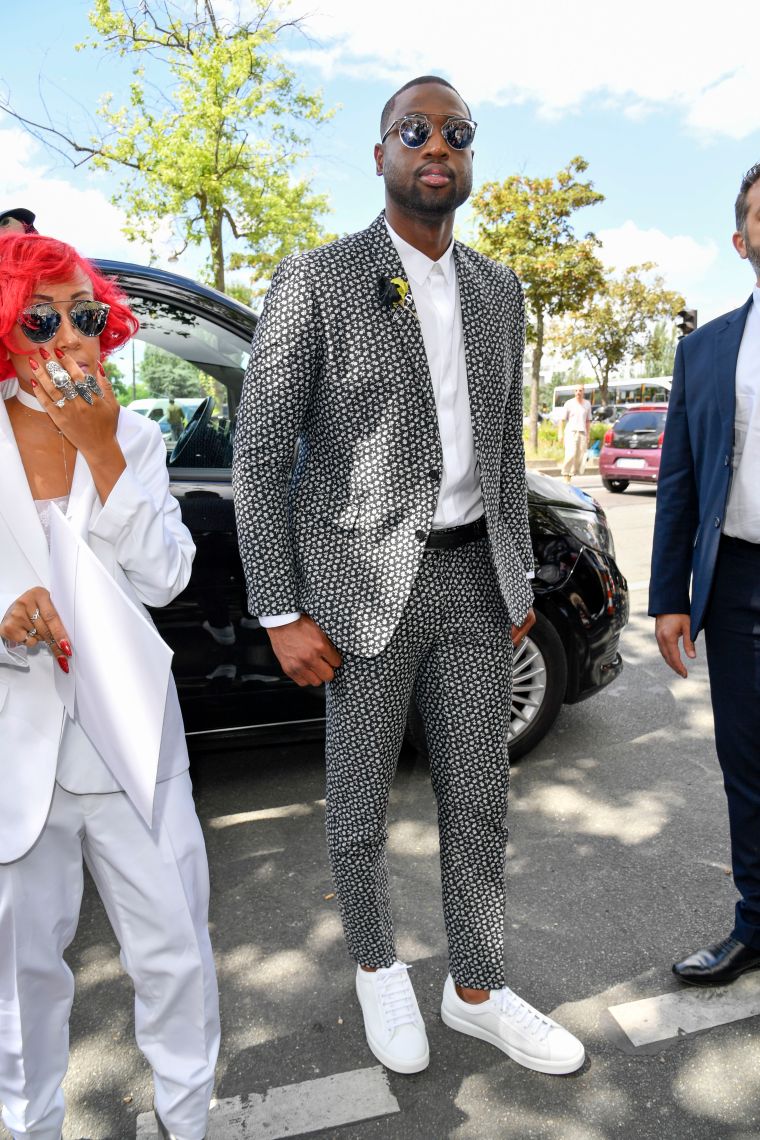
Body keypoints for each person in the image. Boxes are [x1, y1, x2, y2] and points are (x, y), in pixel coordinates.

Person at [233, 75, 584, 1076]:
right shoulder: (316, 280)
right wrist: (279, 608)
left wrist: (515, 579)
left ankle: (476, 988)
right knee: (358, 810)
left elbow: (505, 452)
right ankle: (380, 972)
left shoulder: (497, 288)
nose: (438, 146)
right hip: (359, 595)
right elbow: (260, 456)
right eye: (416, 130)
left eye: (457, 134)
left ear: (468, 158)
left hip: (476, 582)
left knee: (480, 799)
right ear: (380, 152)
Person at [0, 231, 219, 1140]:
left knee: (175, 958)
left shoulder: (132, 433)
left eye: (85, 315)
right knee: (19, 985)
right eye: (40, 317)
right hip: (16, 756)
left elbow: (168, 575)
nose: (69, 337)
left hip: (133, 746)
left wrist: (103, 452)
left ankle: (186, 1123)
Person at [650, 162, 760, 986]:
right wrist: (668, 600)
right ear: (740, 239)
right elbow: (680, 483)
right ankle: (755, 925)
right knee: (748, 766)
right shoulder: (705, 349)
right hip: (738, 586)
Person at [559, 386, 591, 482]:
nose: (578, 392)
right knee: (571, 453)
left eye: (580, 390)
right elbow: (562, 420)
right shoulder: (569, 403)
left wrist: (588, 434)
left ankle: (570, 475)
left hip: (582, 433)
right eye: (576, 390)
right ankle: (565, 474)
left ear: (583, 392)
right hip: (571, 432)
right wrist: (560, 433)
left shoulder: (587, 404)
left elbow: (588, 421)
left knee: (579, 456)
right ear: (574, 392)